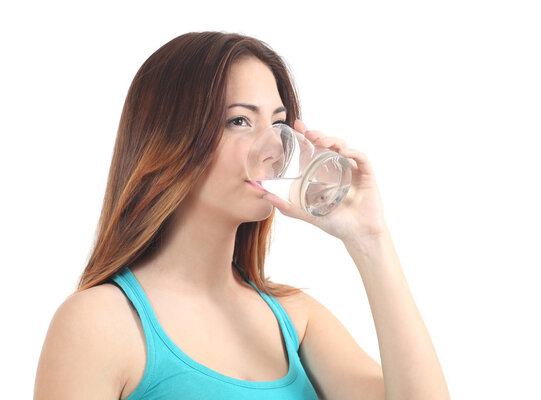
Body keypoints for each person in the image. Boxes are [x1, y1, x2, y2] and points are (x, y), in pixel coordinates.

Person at [33, 31, 450, 399]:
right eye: (239, 121)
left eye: (279, 123)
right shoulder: (97, 324)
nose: (273, 148)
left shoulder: (296, 318)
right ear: (170, 139)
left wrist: (369, 238)